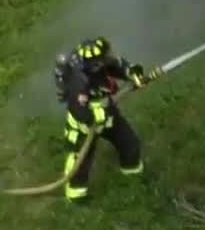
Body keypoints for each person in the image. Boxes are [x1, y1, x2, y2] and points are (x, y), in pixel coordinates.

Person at [54, 38, 157, 202]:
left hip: (108, 115)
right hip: (84, 127)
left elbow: (118, 66)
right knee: (81, 160)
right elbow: (78, 109)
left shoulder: (100, 65)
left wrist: (132, 73)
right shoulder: (78, 81)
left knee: (128, 142)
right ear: (94, 64)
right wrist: (96, 115)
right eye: (104, 57)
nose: (108, 57)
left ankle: (132, 172)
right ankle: (76, 193)